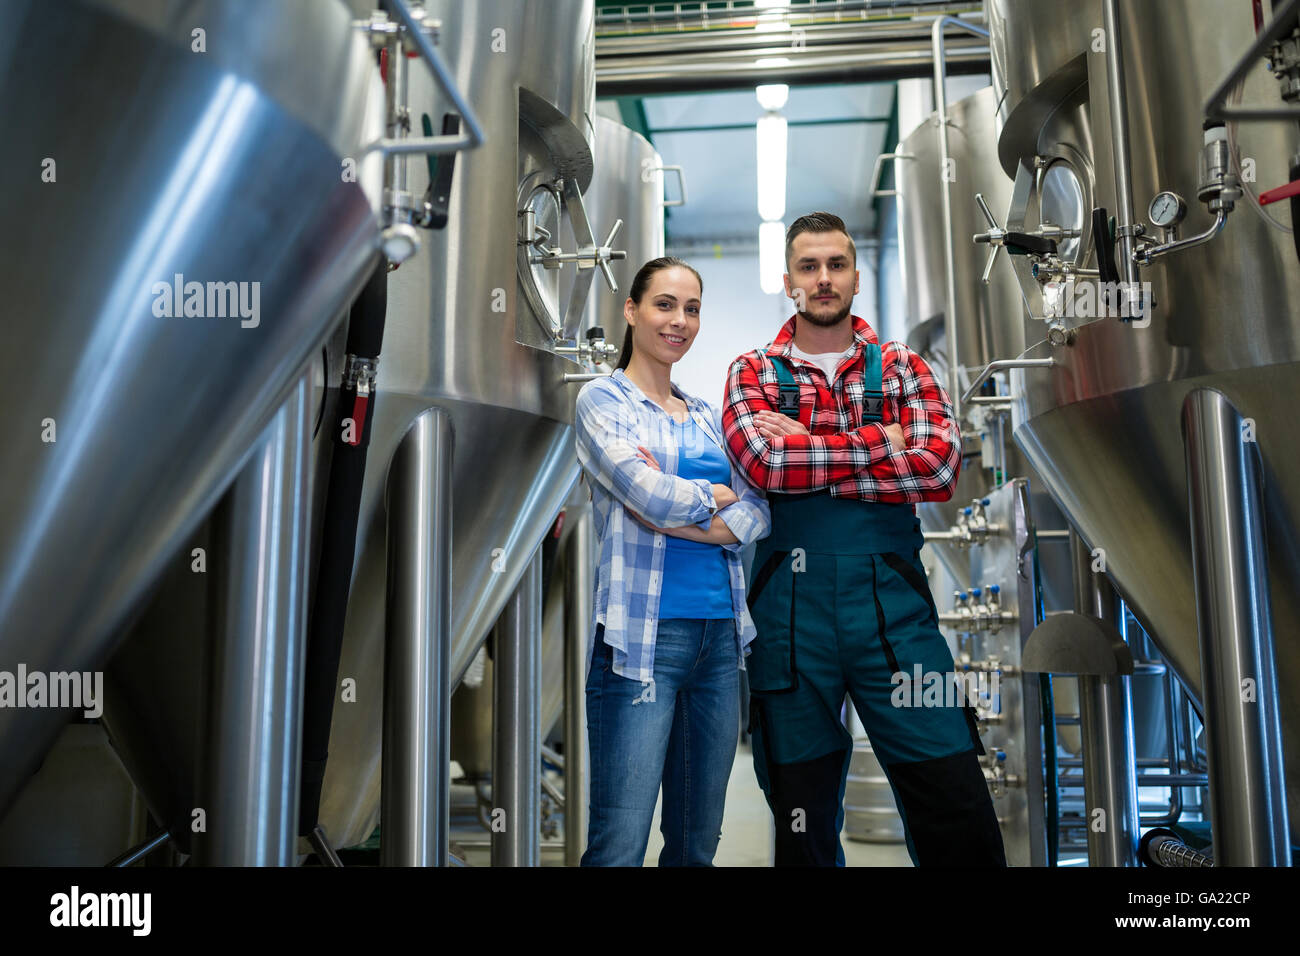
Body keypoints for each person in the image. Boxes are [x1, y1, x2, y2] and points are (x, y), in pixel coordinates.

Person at [722, 212, 1006, 867]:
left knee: (952, 789)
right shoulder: (750, 372)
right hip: (791, 620)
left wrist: (812, 455)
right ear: (788, 280)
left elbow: (938, 470)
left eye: (836, 265)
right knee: (801, 813)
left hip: (899, 617)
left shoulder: (906, 367)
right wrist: (881, 444)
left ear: (855, 273)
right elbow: (766, 467)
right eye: (808, 266)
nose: (824, 279)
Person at [574, 256, 771, 866]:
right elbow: (645, 495)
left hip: (719, 643)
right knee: (619, 842)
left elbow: (758, 512)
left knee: (696, 842)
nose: (679, 321)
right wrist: (713, 498)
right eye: (664, 305)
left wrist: (684, 510)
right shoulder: (603, 401)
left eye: (691, 309)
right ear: (631, 311)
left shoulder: (712, 419)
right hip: (642, 643)